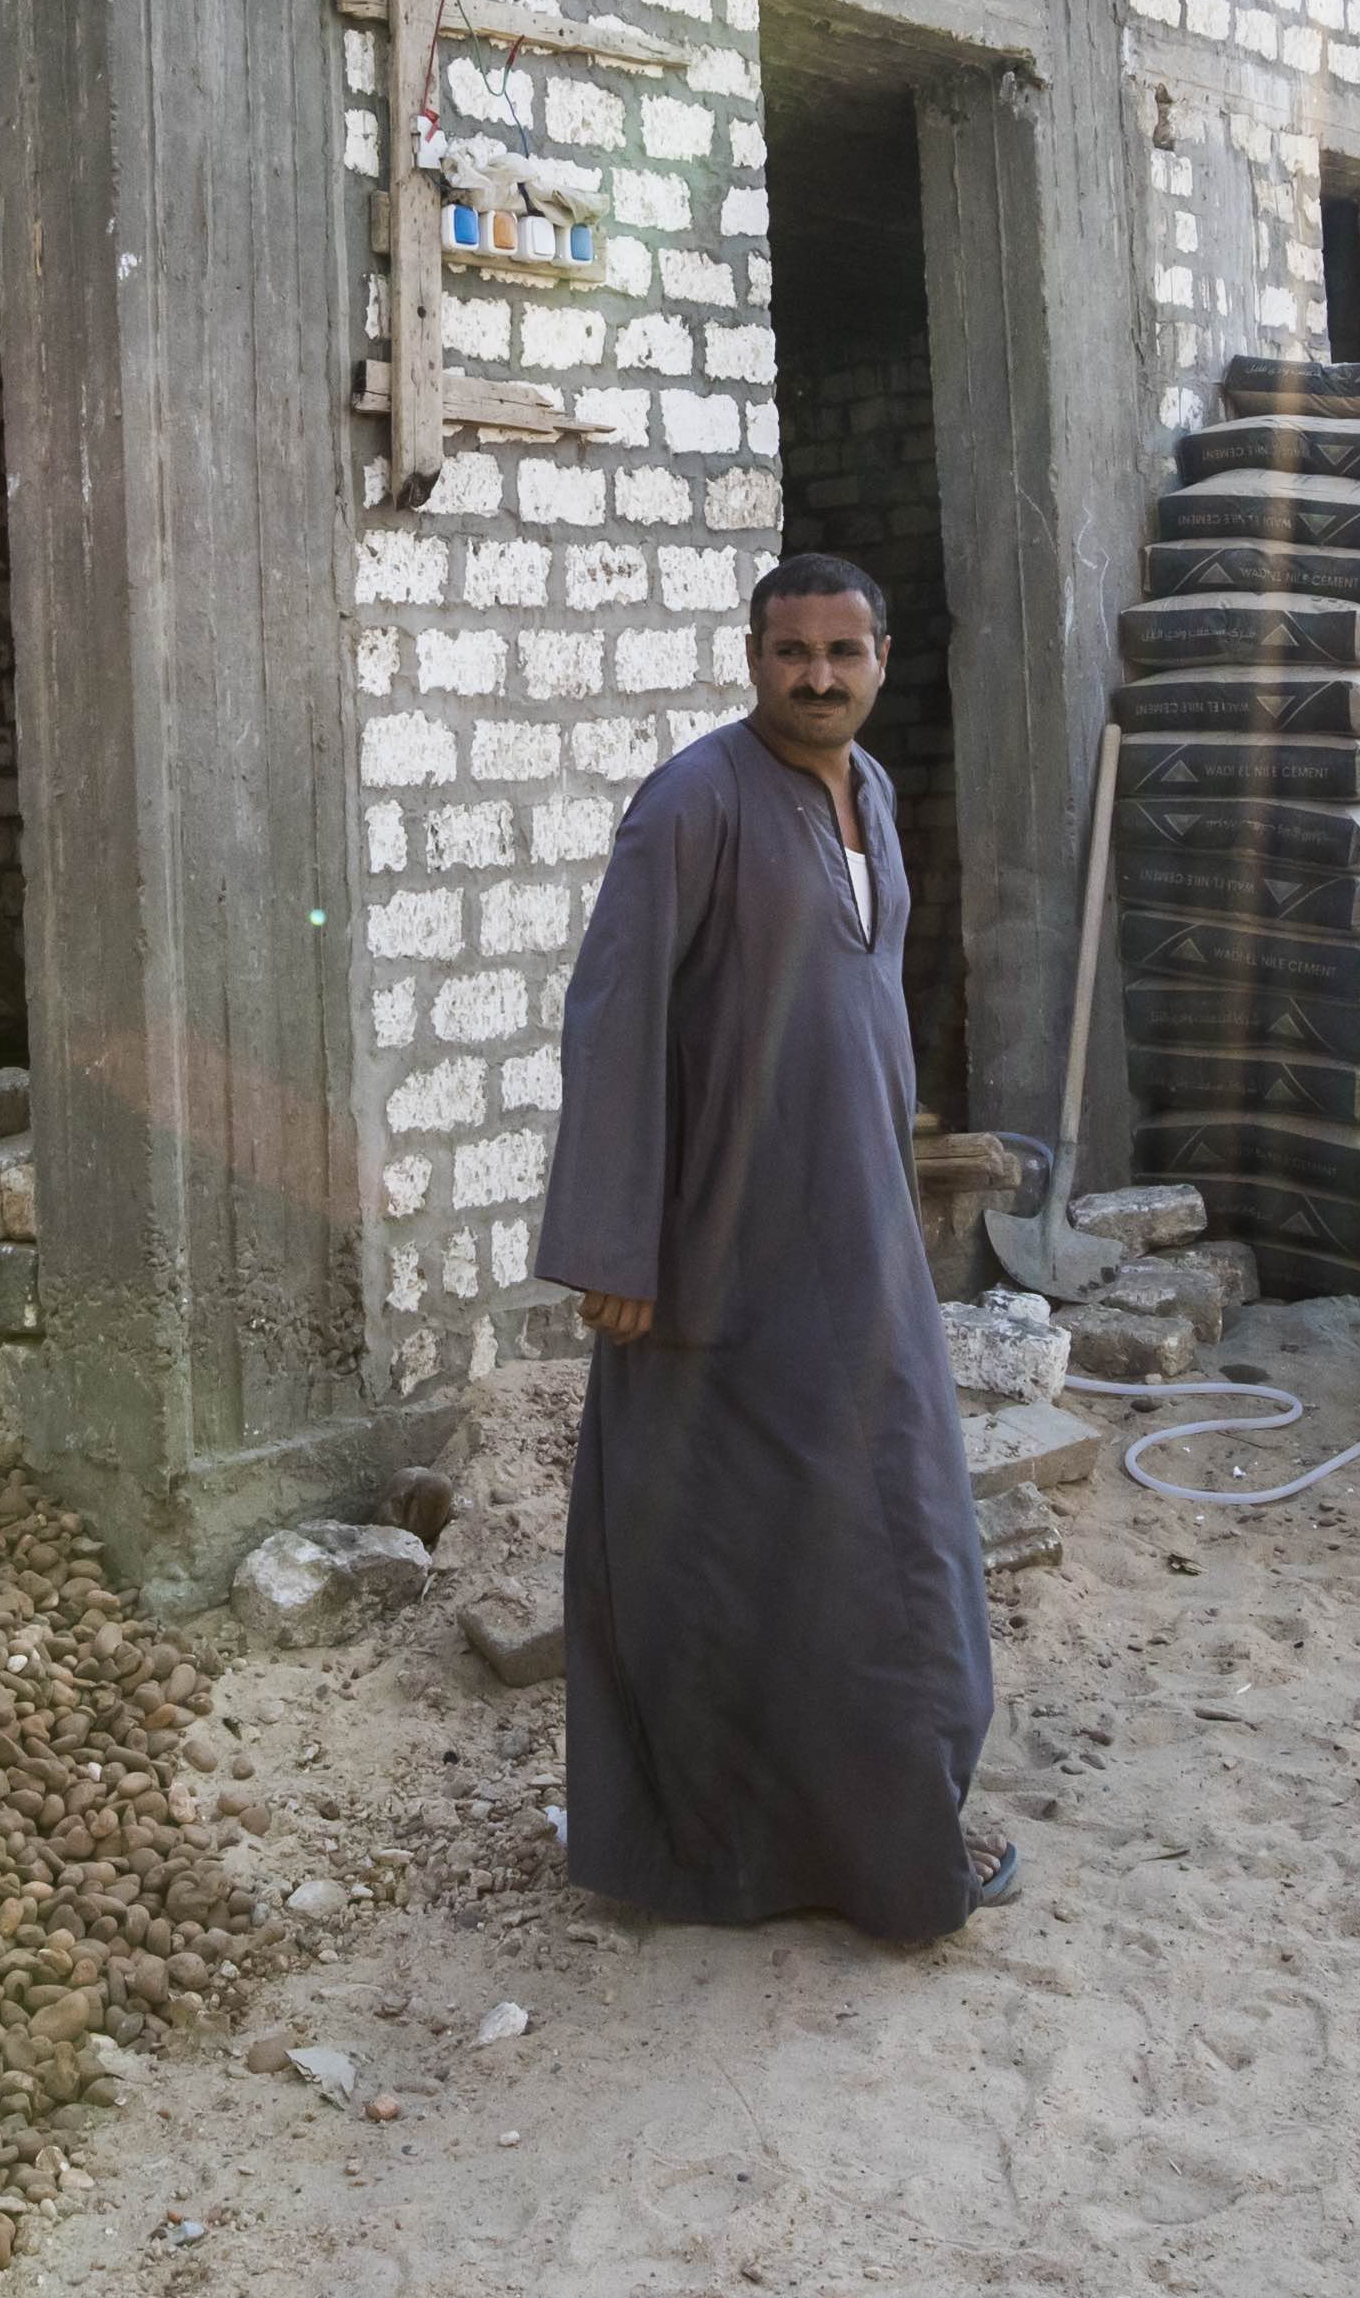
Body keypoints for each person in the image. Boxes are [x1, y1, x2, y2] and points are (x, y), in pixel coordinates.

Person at [534, 554, 1011, 1939]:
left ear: (878, 662)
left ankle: (876, 1834)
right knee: (726, 1550)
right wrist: (614, 1246)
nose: (818, 678)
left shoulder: (873, 799)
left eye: (842, 653)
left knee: (887, 1532)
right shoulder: (695, 805)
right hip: (715, 1261)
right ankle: (723, 1854)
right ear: (753, 658)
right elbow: (610, 1021)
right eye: (791, 652)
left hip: (857, 1249)